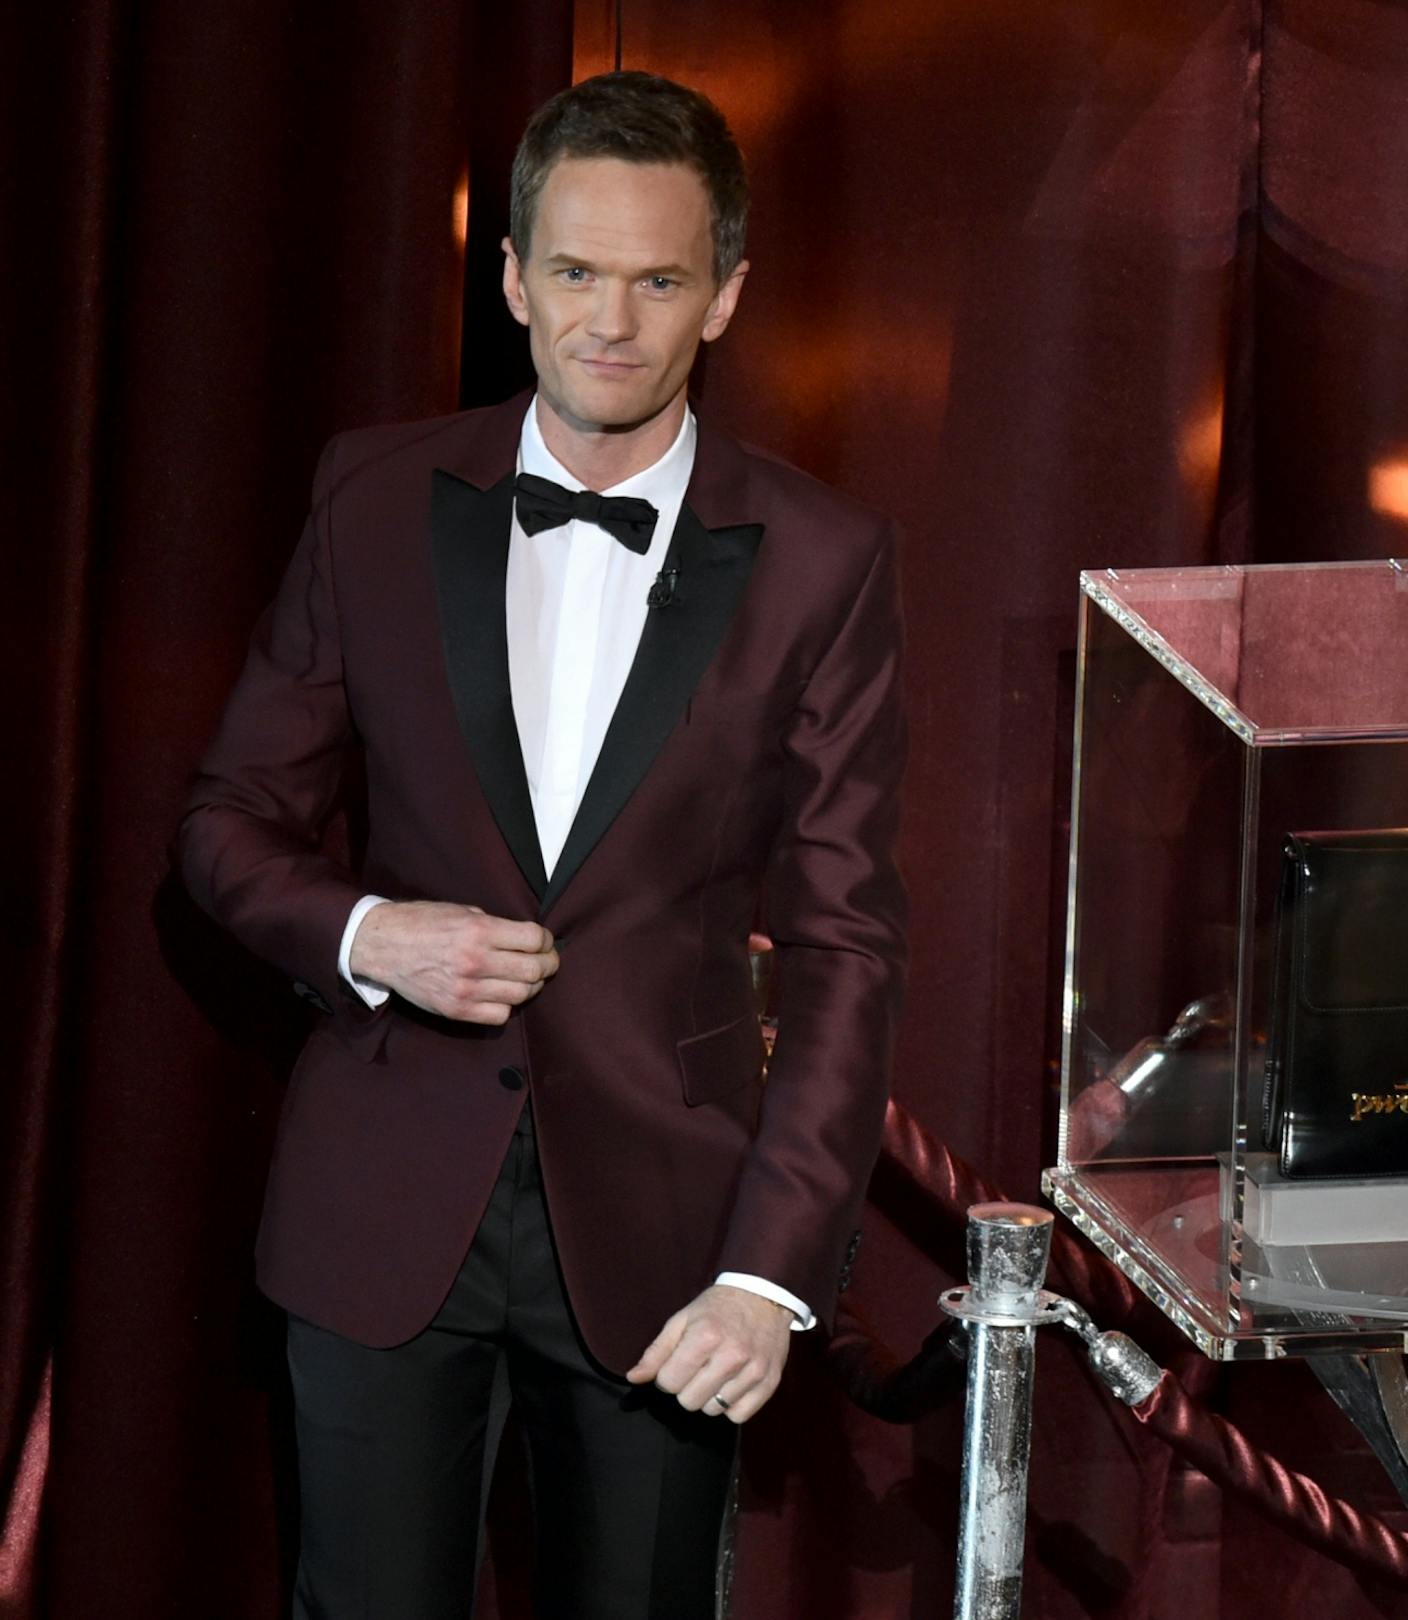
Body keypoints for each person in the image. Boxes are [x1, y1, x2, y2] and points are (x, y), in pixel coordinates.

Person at [174, 70, 908, 1619]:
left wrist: (769, 1277)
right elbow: (227, 825)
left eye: (659, 281)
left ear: (726, 295)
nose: (611, 322)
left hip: (670, 1241)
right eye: (575, 271)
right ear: (512, 278)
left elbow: (846, 945)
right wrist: (373, 936)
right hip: (382, 1207)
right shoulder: (371, 497)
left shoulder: (825, 560)